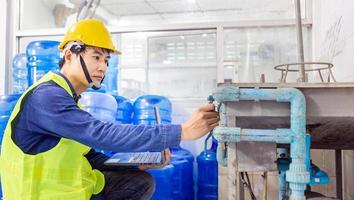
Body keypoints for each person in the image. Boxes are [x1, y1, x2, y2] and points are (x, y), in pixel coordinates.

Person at [0, 19, 219, 200]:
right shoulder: (46, 96)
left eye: (106, 59)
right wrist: (180, 132)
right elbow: (101, 134)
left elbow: (84, 154)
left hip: (75, 187)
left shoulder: (68, 98)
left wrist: (133, 165)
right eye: (96, 57)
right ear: (69, 55)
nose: (103, 67)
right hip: (44, 195)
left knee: (139, 182)